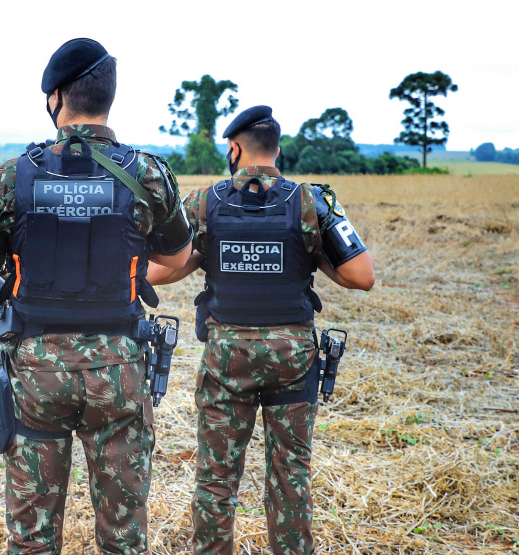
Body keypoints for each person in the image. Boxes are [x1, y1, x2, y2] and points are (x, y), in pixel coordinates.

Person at [0, 38, 192, 554]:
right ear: (109, 98)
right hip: (121, 370)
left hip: (35, 372)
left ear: (55, 98)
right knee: (123, 533)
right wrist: (125, 283)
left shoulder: (8, 178)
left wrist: (13, 307)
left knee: (32, 537)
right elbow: (177, 258)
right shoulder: (148, 173)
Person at [146, 105, 376, 555]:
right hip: (293, 360)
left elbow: (158, 272)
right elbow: (362, 275)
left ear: (235, 149)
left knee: (216, 480)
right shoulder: (311, 201)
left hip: (226, 361)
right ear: (277, 150)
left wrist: (203, 256)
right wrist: (315, 258)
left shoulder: (204, 201)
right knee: (291, 478)